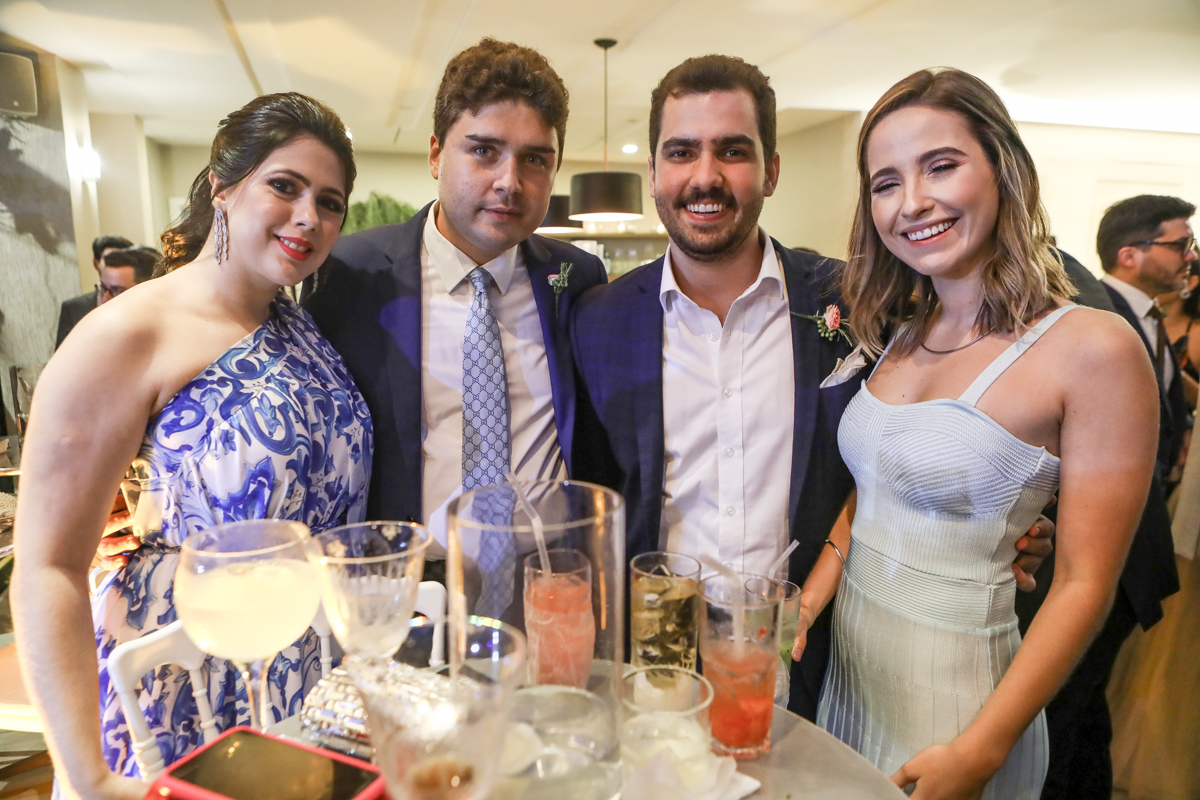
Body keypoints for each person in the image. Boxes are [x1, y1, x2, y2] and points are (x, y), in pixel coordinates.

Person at [569, 55, 1053, 721]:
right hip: (653, 651)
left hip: (819, 650)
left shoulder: (858, 298)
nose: (705, 176)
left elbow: (929, 435)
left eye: (733, 151)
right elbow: (592, 493)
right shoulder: (598, 319)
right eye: (681, 152)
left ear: (770, 169)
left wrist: (997, 517)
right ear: (653, 172)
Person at [794, 68, 1157, 799]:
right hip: (849, 683)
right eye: (886, 181)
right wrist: (803, 607)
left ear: (1004, 169)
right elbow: (876, 490)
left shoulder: (1093, 347)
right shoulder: (903, 333)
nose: (913, 202)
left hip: (954, 705)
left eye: (941, 166)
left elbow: (1086, 582)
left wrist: (980, 752)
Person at [12, 93, 370, 799]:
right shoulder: (131, 332)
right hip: (185, 687)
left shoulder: (297, 323)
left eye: (329, 202)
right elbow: (47, 565)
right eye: (284, 186)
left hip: (306, 679)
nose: (309, 217)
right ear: (222, 187)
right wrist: (88, 776)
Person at [304, 39, 606, 614]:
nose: (510, 181)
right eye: (485, 151)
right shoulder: (349, 275)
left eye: (535, 159)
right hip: (408, 591)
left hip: (547, 585)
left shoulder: (578, 277)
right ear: (437, 154)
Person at [1029, 195, 1194, 800]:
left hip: (1125, 560)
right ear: (1130, 253)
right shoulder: (1082, 307)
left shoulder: (1145, 320)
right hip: (1087, 561)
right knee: (1067, 719)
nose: (1191, 256)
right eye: (1180, 244)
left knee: (1084, 713)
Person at [56, 235, 133, 348]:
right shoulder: (73, 308)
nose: (116, 266)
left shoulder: (138, 302)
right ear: (96, 263)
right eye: (110, 260)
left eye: (123, 260)